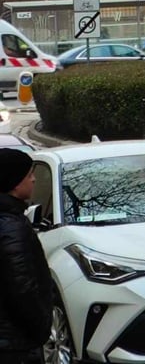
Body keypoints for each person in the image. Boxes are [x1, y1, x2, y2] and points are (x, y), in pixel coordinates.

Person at [0, 148, 53, 364]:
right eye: (29, 174)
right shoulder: (10, 227)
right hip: (15, 345)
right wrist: (41, 328)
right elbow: (21, 286)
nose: (33, 180)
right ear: (14, 182)